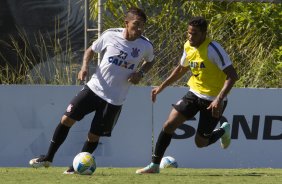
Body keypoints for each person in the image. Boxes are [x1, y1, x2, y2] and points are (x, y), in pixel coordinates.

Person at [29, 7, 154, 174]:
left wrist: (141, 73)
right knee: (66, 119)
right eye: (136, 25)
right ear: (126, 23)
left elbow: (150, 61)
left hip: (114, 99)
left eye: (142, 26)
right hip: (94, 89)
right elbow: (90, 50)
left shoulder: (145, 45)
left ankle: (75, 167)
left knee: (93, 136)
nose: (139, 29)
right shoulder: (110, 35)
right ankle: (48, 158)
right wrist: (84, 67)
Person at [136, 16, 239, 174]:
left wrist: (219, 99)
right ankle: (154, 165)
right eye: (189, 33)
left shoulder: (213, 49)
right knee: (169, 125)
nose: (190, 37)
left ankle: (222, 131)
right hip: (194, 93)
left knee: (200, 142)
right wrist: (161, 87)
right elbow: (181, 69)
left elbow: (232, 76)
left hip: (213, 100)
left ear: (204, 33)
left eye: (195, 34)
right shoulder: (188, 46)